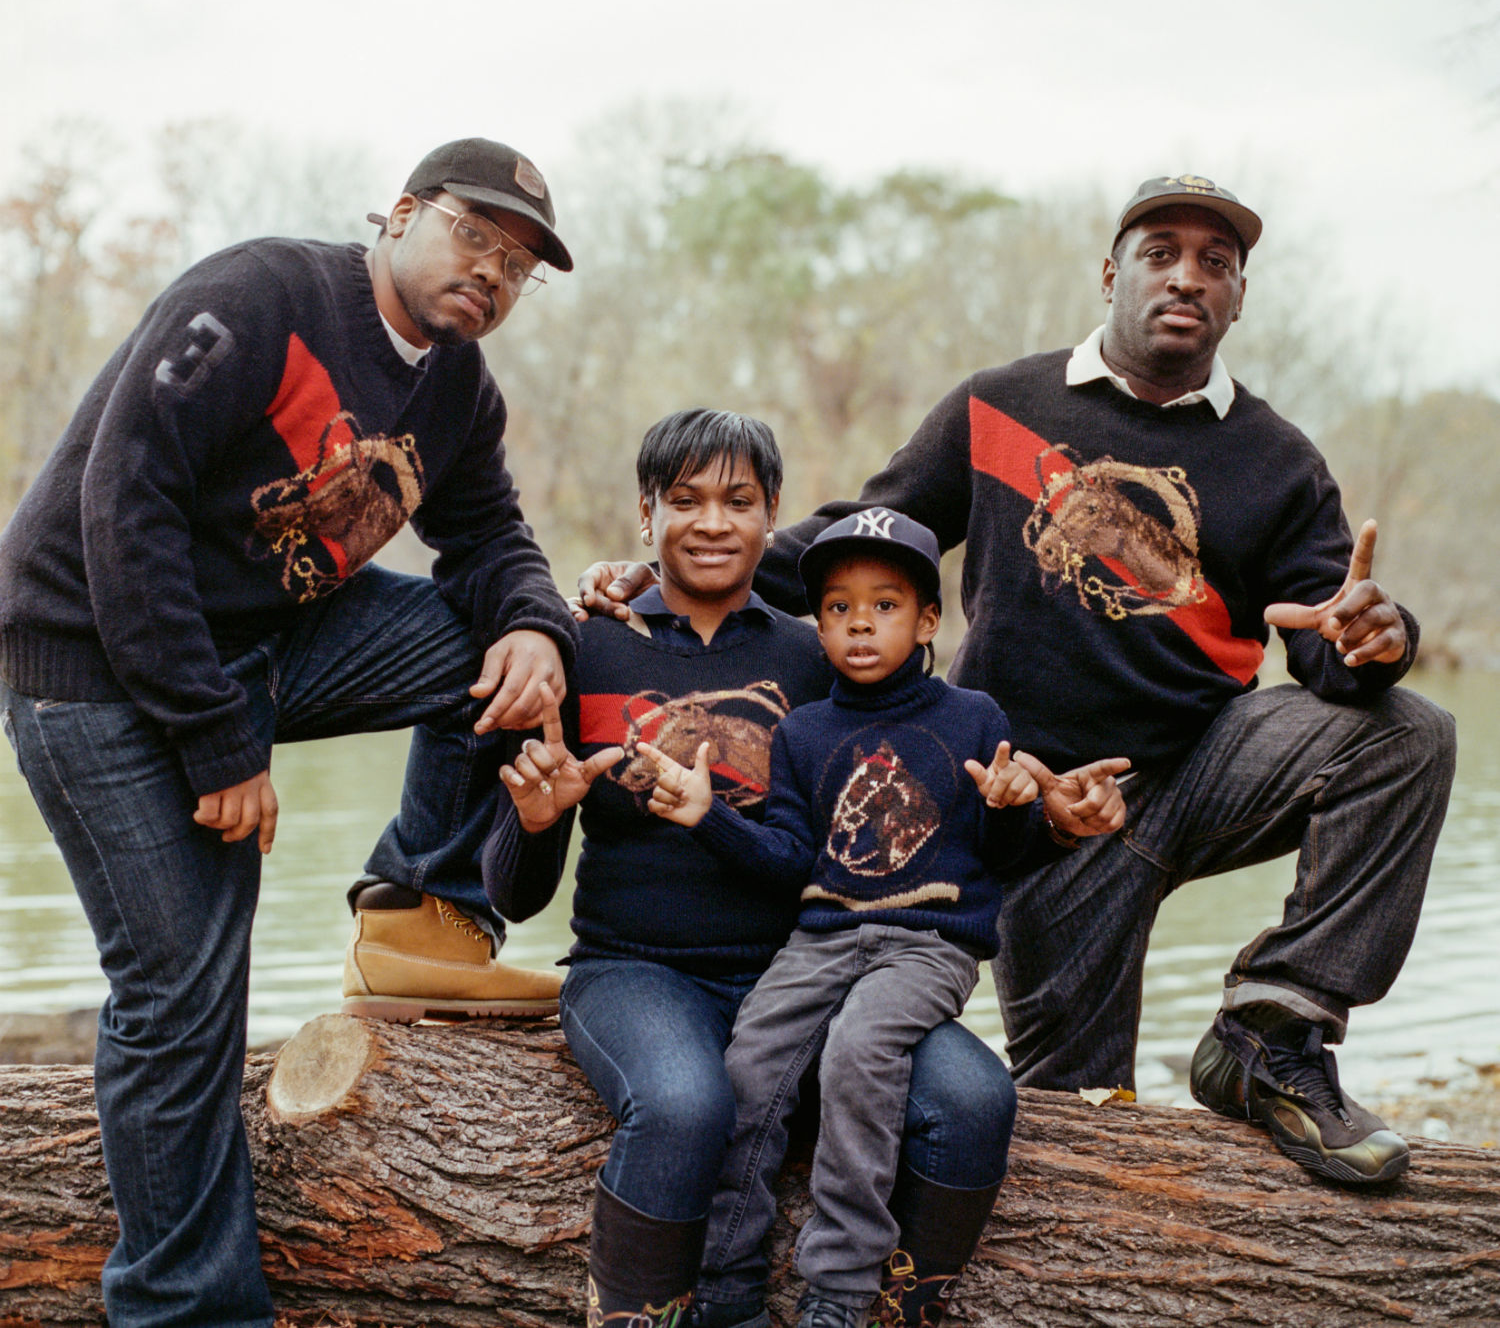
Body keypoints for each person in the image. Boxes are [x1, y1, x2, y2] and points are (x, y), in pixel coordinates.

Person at [579, 175, 1459, 1190]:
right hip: (1027, 803)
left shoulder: (1278, 461)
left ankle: (1276, 1033)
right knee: (1074, 1127)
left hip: (1199, 770)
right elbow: (869, 538)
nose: (1188, 276)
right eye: (1161, 252)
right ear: (1110, 274)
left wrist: (1373, 640)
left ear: (1239, 296)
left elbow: (1328, 647)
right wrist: (683, 567)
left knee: (1407, 733)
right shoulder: (1001, 404)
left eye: (1216, 263)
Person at [0, 136, 579, 1327]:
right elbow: (126, 506)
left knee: (506, 655)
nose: (493, 273)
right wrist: (221, 747)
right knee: (181, 997)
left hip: (264, 643)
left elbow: (491, 539)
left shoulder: (456, 392)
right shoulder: (259, 298)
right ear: (403, 215)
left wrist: (539, 632)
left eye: (520, 265)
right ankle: (182, 1310)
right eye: (475, 236)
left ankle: (415, 906)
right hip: (93, 662)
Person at [481, 411, 1018, 1328]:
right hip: (636, 971)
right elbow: (516, 895)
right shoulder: (584, 645)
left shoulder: (819, 657)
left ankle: (881, 1306)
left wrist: (1033, 808)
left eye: (738, 500)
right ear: (644, 515)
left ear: (773, 516)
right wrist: (536, 822)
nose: (712, 523)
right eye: (683, 500)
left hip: (812, 970)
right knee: (687, 1105)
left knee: (973, 1099)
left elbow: (917, 798)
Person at [638, 509, 1128, 1328]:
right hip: (821, 937)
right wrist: (707, 817)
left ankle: (839, 1287)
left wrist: (1015, 808)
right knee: (750, 1064)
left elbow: (995, 854)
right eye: (837, 607)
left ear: (929, 620)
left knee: (860, 1053)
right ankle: (727, 1282)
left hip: (927, 944)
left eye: (886, 604)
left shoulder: (975, 719)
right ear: (819, 624)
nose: (860, 622)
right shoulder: (803, 732)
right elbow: (792, 858)